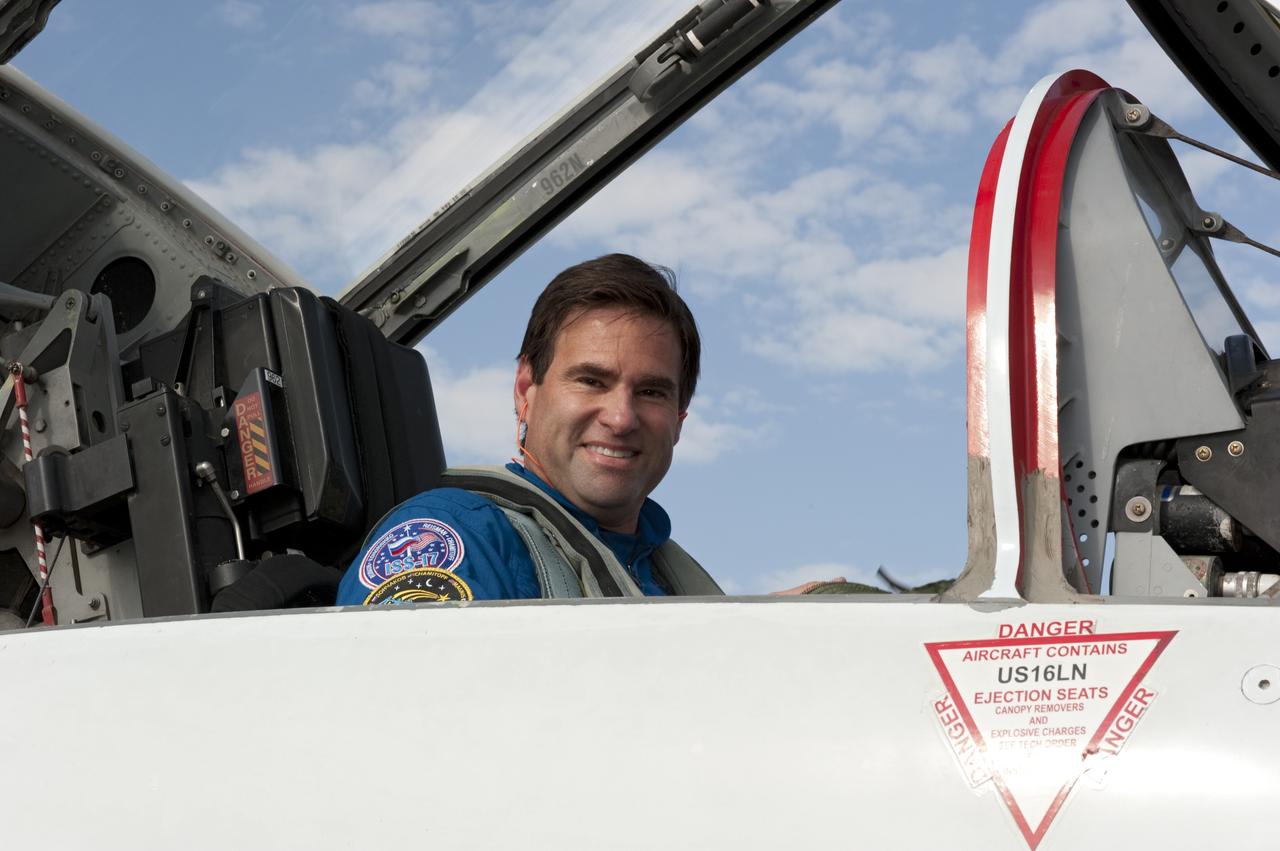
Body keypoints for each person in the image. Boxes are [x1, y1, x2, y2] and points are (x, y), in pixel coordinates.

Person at [334, 253, 719, 605]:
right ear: (525, 391)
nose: (620, 418)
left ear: (678, 420)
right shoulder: (457, 538)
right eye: (591, 381)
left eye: (651, 392)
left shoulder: (671, 581)